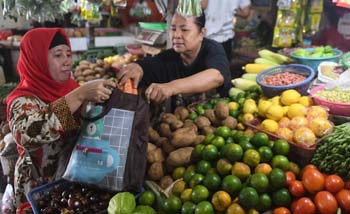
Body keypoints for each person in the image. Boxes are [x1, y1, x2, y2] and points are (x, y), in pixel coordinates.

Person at [6, 28, 115, 206]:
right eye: (58, 55)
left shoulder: (71, 88)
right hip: (40, 191)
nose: (67, 62)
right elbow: (27, 135)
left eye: (68, 54)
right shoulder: (23, 99)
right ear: (37, 59)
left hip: (74, 185)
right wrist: (79, 96)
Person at [115, 12, 231, 108]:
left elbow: (216, 76)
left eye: (184, 30)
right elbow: (147, 65)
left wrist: (171, 87)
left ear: (201, 33)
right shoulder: (169, 57)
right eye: (173, 29)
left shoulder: (212, 49)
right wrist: (137, 67)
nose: (176, 35)